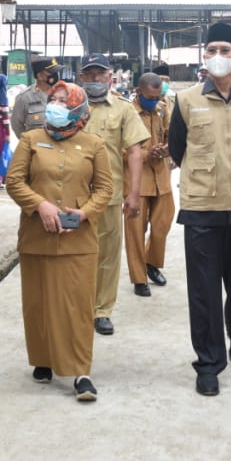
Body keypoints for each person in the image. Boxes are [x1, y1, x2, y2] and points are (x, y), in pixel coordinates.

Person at [168, 22, 231, 397]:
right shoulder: (185, 99)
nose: (217, 57)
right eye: (211, 50)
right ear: (204, 56)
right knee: (204, 290)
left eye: (225, 50)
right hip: (201, 208)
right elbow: (177, 149)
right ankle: (209, 363)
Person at [4, 82, 114, 402]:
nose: (56, 105)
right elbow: (14, 181)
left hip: (78, 237)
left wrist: (83, 214)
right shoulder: (31, 140)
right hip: (36, 235)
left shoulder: (94, 144)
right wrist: (40, 205)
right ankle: (42, 359)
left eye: (64, 101)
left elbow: (105, 189)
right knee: (38, 302)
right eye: (53, 100)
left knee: (78, 305)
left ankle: (81, 372)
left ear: (79, 107)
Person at [78, 53, 148, 336]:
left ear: (110, 76)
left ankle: (102, 310)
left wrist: (134, 193)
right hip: (74, 195)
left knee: (107, 255)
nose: (95, 78)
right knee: (76, 253)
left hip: (109, 194)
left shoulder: (123, 109)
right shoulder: (68, 105)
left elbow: (134, 151)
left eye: (100, 73)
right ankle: (78, 306)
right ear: (82, 76)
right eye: (90, 73)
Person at [126, 72, 175, 297]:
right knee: (135, 230)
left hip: (161, 176)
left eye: (157, 97)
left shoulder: (162, 109)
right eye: (149, 97)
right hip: (137, 180)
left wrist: (166, 149)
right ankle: (138, 278)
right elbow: (119, 148)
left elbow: (170, 136)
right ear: (138, 92)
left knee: (162, 224)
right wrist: (147, 154)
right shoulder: (127, 112)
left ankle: (152, 262)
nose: (153, 101)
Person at [10, 57, 59, 138]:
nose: (56, 75)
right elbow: (16, 125)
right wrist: (28, 143)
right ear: (40, 76)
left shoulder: (62, 94)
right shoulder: (25, 97)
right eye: (52, 72)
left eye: (56, 72)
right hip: (36, 147)